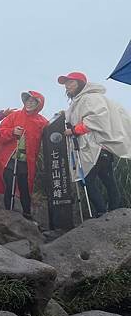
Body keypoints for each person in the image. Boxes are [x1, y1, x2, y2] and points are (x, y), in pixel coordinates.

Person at [59, 71, 131, 217]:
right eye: (66, 83)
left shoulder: (90, 98)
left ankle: (102, 212)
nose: (67, 86)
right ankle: (114, 212)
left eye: (71, 82)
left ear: (81, 83)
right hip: (98, 147)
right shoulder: (81, 100)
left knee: (86, 179)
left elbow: (97, 119)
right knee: (106, 178)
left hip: (95, 146)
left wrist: (74, 130)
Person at [0, 91, 48, 220]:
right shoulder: (14, 116)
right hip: (9, 159)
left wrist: (60, 119)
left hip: (26, 161)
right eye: (28, 100)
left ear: (39, 104)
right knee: (9, 185)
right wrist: (12, 132)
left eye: (33, 101)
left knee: (24, 188)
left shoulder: (42, 122)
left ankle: (27, 214)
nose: (30, 103)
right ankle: (8, 215)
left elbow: (51, 133)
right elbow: (1, 133)